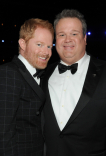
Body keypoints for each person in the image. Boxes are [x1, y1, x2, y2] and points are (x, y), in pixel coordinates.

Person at [42, 9, 106, 156]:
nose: (67, 39)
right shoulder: (43, 75)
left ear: (85, 38)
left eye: (74, 34)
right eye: (61, 34)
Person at [0, 18, 54, 156]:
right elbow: (1, 134)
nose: (46, 52)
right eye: (39, 44)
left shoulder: (42, 74)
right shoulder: (8, 73)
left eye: (49, 46)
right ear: (22, 43)